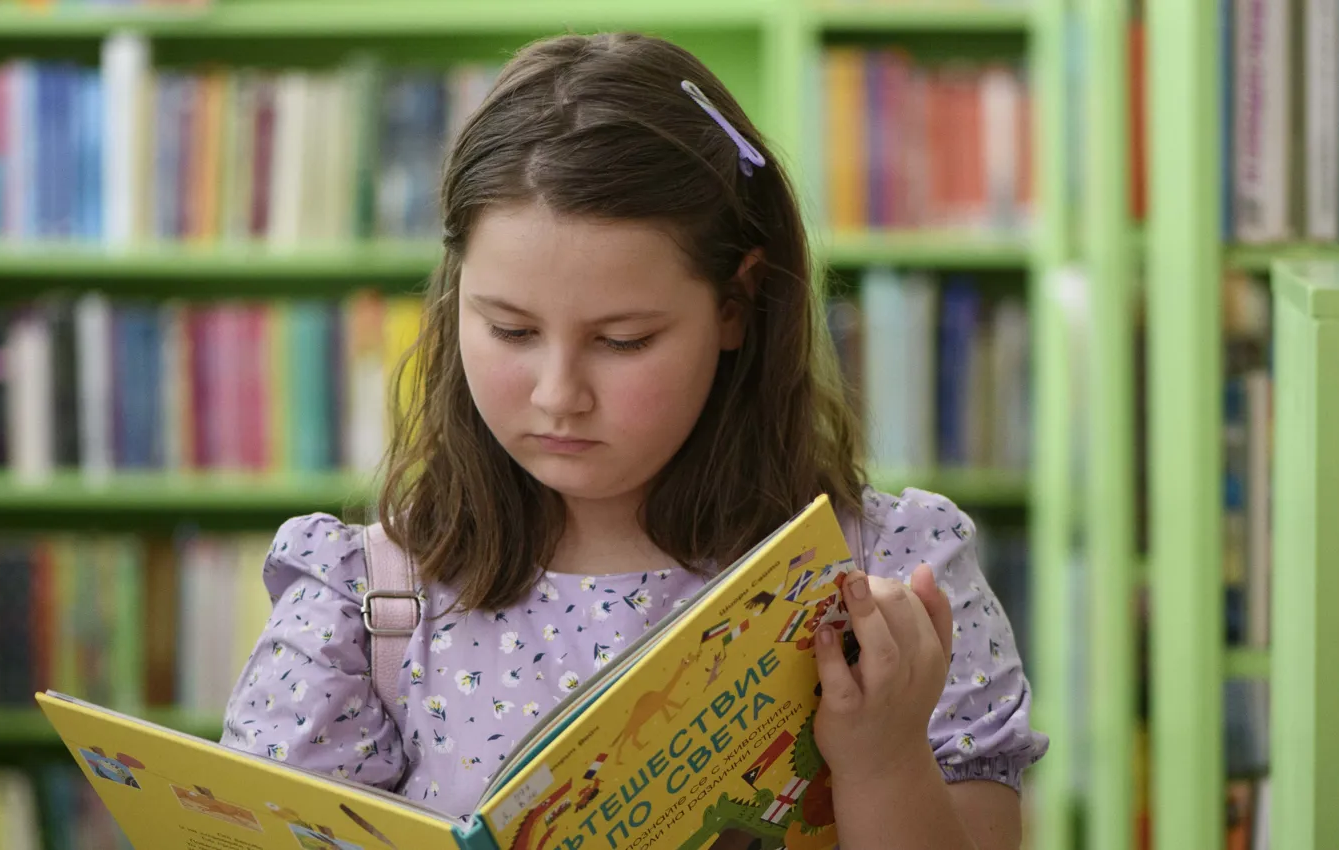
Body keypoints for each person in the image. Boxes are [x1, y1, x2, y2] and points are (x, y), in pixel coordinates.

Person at [216, 33, 1044, 848]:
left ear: (735, 305)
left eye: (622, 341)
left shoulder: (893, 574)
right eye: (509, 329)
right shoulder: (361, 607)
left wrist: (884, 762)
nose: (557, 395)